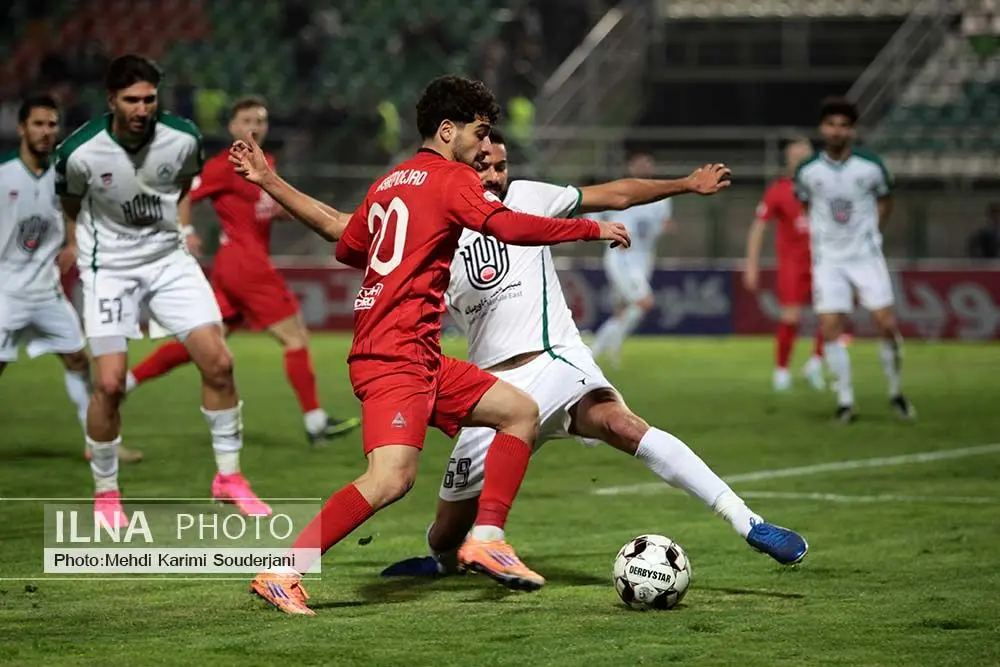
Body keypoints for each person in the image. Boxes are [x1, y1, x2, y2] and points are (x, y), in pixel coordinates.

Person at [229, 75, 631, 615]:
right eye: (479, 132)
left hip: (419, 354)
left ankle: (486, 538)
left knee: (519, 412)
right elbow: (507, 226)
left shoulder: (392, 182)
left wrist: (269, 181)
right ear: (447, 131)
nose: (485, 146)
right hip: (395, 356)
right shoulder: (450, 178)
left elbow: (340, 232)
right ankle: (283, 571)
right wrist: (589, 230)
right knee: (390, 479)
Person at [377, 131, 808, 579]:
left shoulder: (528, 197)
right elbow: (364, 232)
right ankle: (443, 562)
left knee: (622, 425)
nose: (494, 176)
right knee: (446, 534)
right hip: (491, 392)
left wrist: (685, 184)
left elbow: (616, 193)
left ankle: (748, 522)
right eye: (482, 166)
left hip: (555, 362)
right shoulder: (436, 227)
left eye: (501, 166)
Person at [55, 55, 270, 524]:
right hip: (110, 270)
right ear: (112, 100)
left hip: (169, 263)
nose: (141, 108)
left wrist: (184, 228)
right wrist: (74, 242)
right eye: (131, 100)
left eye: (149, 99)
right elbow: (70, 201)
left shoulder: (183, 137)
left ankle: (229, 477)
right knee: (109, 383)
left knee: (220, 363)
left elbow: (184, 186)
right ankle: (106, 491)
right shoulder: (79, 152)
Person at [123, 96, 359, 446]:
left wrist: (290, 211)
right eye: (247, 120)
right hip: (248, 267)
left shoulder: (265, 163)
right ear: (232, 127)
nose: (255, 127)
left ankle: (123, 383)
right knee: (295, 338)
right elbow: (184, 192)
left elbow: (266, 208)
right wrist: (186, 230)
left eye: (260, 120)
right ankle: (315, 423)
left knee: (202, 342)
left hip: (233, 268)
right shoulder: (225, 165)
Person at [0, 95, 141, 463]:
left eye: (52, 124)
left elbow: (74, 212)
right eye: (38, 124)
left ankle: (99, 443)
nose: (47, 132)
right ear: (21, 128)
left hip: (46, 293)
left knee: (79, 360)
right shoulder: (3, 173)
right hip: (5, 293)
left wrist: (74, 243)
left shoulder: (64, 174)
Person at [795, 97, 915, 423]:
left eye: (844, 125)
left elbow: (885, 200)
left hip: (865, 256)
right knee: (830, 326)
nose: (837, 131)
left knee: (885, 323)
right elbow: (805, 205)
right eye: (831, 124)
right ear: (822, 128)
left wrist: (872, 232)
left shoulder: (871, 165)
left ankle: (896, 393)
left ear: (853, 130)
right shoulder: (808, 171)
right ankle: (845, 401)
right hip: (828, 260)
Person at [744, 138, 826, 392]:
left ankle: (815, 364)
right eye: (795, 154)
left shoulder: (824, 186)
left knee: (832, 315)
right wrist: (751, 264)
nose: (800, 158)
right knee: (790, 317)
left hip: (825, 261)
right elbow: (759, 228)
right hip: (793, 263)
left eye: (804, 154)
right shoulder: (779, 190)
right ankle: (781, 370)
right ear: (788, 159)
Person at [589, 151, 674, 367]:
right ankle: (594, 351)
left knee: (622, 309)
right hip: (622, 257)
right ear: (630, 166)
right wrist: (607, 235)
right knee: (643, 302)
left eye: (647, 163)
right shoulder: (622, 191)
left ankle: (611, 347)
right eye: (639, 163)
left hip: (644, 259)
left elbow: (663, 223)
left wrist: (663, 227)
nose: (644, 167)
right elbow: (593, 215)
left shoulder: (662, 197)